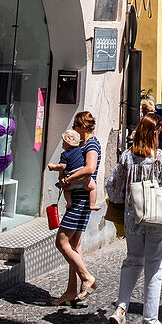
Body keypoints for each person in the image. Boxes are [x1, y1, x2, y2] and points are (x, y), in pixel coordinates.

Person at [106, 114, 162, 324]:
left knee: (132, 262)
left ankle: (120, 308)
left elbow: (112, 184)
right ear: (154, 133)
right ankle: (149, 323)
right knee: (154, 267)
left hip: (132, 218)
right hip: (155, 219)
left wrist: (123, 201)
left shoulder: (128, 156)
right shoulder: (159, 157)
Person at [52, 110, 101, 305]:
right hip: (79, 195)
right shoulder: (82, 144)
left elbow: (90, 168)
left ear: (82, 126)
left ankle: (87, 277)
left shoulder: (91, 144)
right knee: (74, 245)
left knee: (61, 241)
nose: (74, 129)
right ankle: (71, 291)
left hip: (81, 197)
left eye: (75, 126)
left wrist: (68, 179)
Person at [47, 129, 99, 212]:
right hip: (82, 177)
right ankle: (92, 204)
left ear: (67, 144)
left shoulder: (64, 154)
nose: (62, 144)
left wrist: (53, 167)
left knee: (66, 190)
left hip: (70, 177)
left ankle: (69, 203)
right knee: (93, 188)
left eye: (63, 142)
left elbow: (62, 167)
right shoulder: (79, 149)